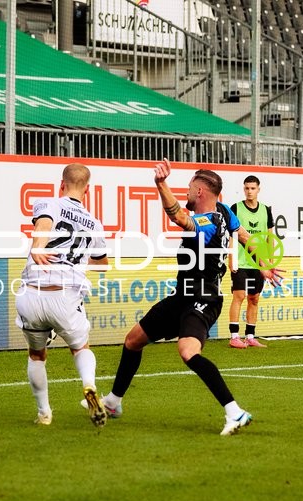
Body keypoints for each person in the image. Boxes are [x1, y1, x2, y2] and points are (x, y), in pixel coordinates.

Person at [98, 159, 283, 436]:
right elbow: (244, 237)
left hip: (204, 297)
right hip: (182, 295)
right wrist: (264, 264)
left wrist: (161, 184)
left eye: (188, 188)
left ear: (200, 192)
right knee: (133, 340)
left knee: (187, 351)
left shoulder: (206, 221)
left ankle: (235, 411)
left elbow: (178, 217)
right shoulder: (224, 211)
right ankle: (113, 402)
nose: (185, 192)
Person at [15, 163, 109, 426]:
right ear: (87, 190)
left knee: (36, 355)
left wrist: (38, 247)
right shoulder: (94, 223)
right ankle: (89, 386)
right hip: (65, 297)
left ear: (61, 184)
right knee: (80, 348)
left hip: (32, 294)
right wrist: (75, 261)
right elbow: (101, 263)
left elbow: (43, 226)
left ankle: (44, 413)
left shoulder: (48, 204)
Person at [228, 175, 274, 349]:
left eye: (253, 188)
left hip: (258, 263)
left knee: (254, 299)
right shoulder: (236, 208)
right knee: (239, 296)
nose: (249, 191)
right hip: (240, 261)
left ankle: (250, 336)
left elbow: (269, 237)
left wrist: (269, 262)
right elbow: (232, 235)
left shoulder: (266, 210)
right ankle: (234, 337)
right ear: (243, 189)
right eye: (247, 188)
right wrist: (231, 259)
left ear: (258, 190)